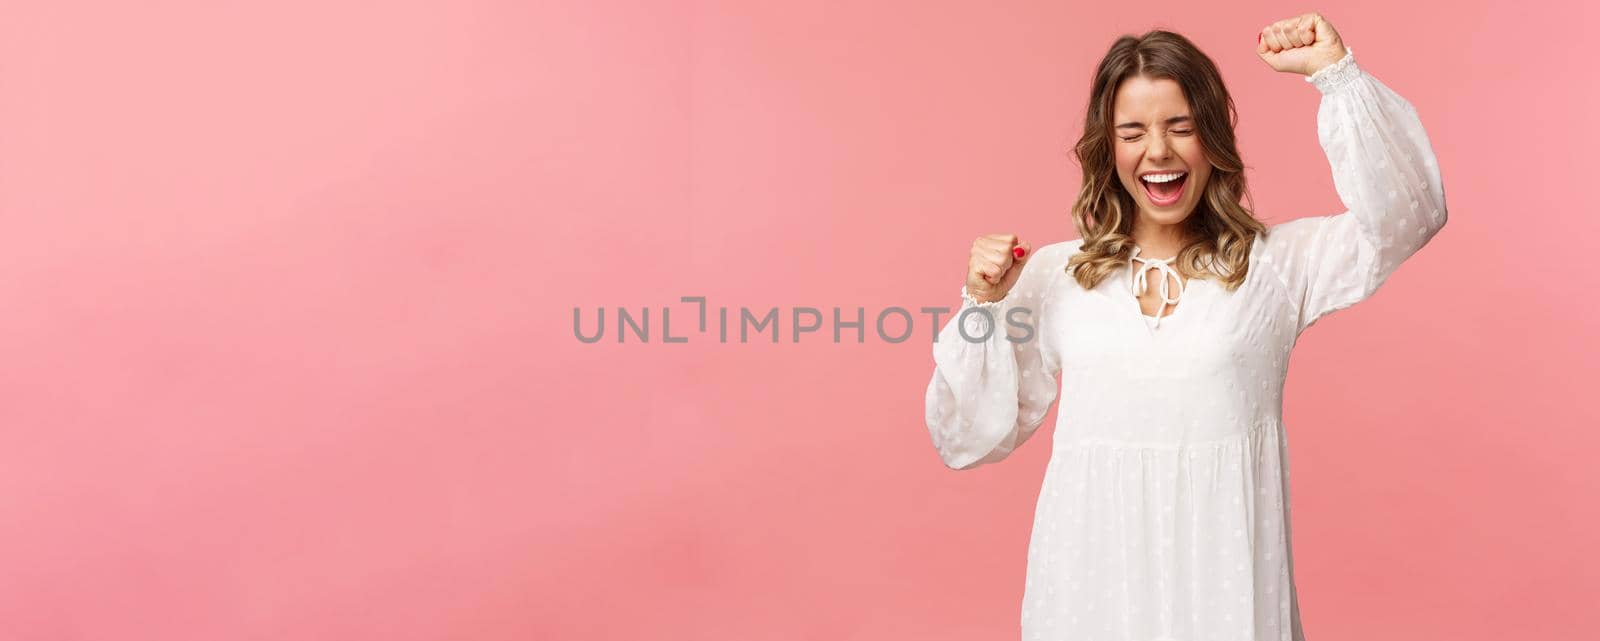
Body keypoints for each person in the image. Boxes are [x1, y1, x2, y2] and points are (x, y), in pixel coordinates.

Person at [923, 13, 1447, 641]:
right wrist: (980, 305)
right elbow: (970, 434)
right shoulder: (1058, 273)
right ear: (1107, 147)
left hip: (1225, 592)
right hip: (1090, 593)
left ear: (1213, 138)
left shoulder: (1277, 264)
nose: (1159, 152)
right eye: (1133, 132)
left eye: (1180, 127)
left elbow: (1410, 216)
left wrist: (1336, 76)